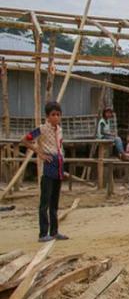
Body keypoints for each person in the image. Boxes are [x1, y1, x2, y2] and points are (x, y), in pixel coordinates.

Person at [20, 101, 68, 242]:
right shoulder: (41, 129)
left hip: (58, 163)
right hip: (48, 165)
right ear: (47, 116)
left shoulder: (59, 129)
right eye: (53, 115)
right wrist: (39, 153)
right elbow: (25, 140)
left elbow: (60, 145)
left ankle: (54, 232)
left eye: (58, 115)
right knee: (45, 202)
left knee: (54, 202)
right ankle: (43, 234)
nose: (56, 117)